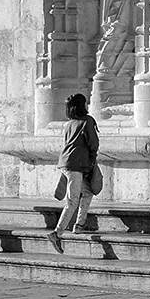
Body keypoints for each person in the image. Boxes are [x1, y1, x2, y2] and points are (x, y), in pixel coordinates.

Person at [52, 93, 101, 236]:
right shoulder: (87, 121)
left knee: (88, 191)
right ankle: (57, 233)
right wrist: (92, 160)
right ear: (82, 105)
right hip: (77, 165)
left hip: (67, 162)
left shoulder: (69, 124)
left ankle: (80, 224)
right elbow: (93, 143)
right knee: (72, 201)